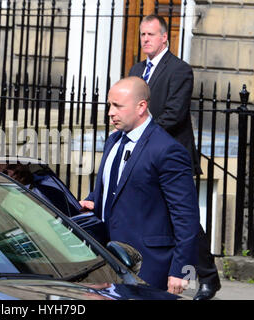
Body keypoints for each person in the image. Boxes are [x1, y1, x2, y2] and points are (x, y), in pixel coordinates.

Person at [128, 14, 221, 300]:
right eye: (142, 34)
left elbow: (174, 113)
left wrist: (143, 132)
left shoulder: (180, 70)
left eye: (151, 35)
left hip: (172, 156)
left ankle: (208, 278)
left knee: (185, 218)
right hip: (143, 154)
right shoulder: (137, 69)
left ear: (165, 37)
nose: (145, 39)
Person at [79, 77, 200, 294]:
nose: (110, 112)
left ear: (141, 107)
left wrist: (180, 270)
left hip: (148, 265)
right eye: (109, 105)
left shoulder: (166, 150)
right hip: (106, 260)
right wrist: (92, 202)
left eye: (117, 106)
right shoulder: (113, 141)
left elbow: (186, 216)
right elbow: (109, 190)